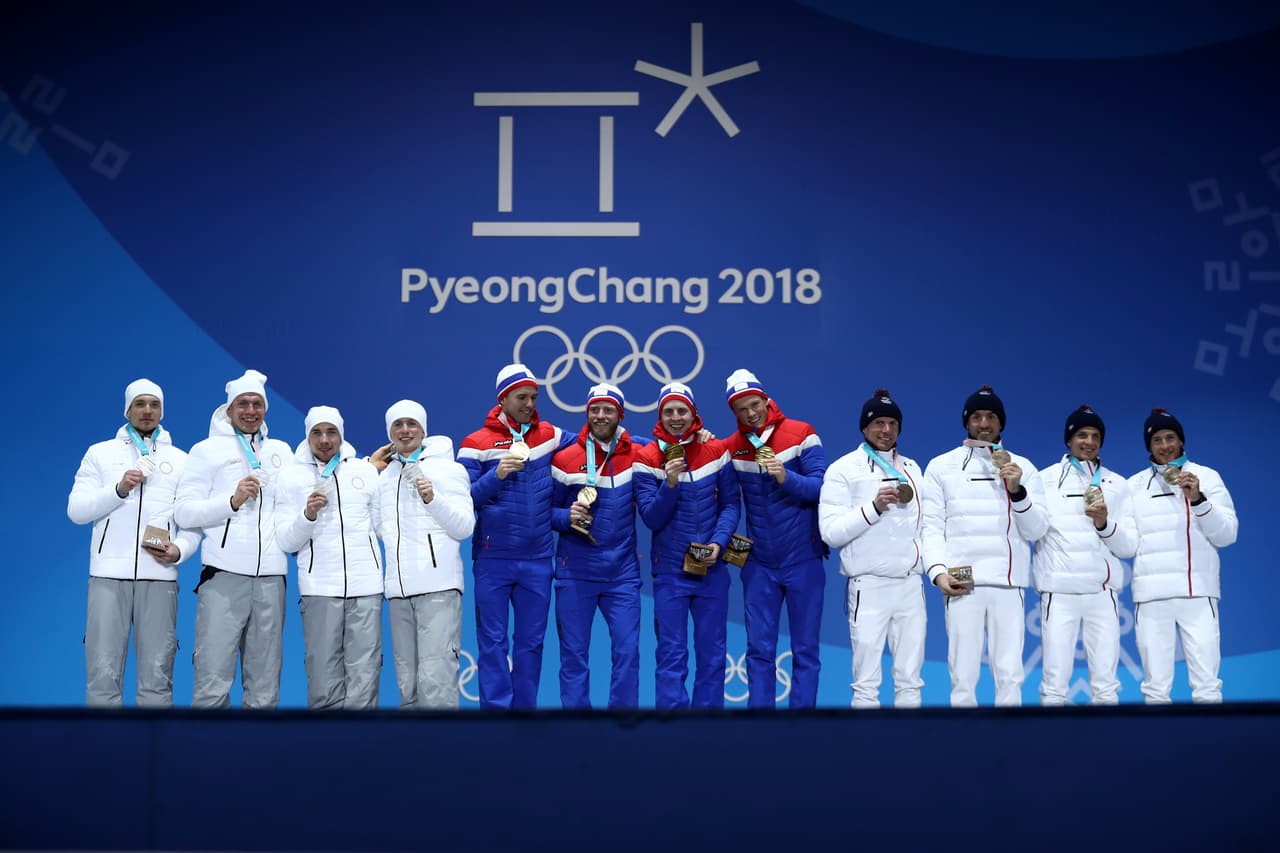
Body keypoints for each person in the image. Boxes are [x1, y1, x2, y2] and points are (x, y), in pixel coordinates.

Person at [67, 378, 200, 707]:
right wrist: (118, 489)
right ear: (127, 410)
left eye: (155, 405)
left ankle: (154, 741)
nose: (147, 410)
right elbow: (76, 510)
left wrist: (180, 550)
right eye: (140, 404)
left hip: (160, 579)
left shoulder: (181, 460)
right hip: (107, 578)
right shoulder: (100, 454)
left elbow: (192, 524)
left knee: (158, 677)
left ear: (162, 411)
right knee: (102, 675)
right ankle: (104, 742)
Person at [922, 385, 1048, 707]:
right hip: (961, 575)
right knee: (962, 673)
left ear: (1001, 422)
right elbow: (931, 526)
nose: (984, 424)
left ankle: (1010, 734)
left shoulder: (1024, 467)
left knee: (1009, 673)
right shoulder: (941, 466)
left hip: (1008, 578)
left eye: (991, 416)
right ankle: (964, 735)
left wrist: (1017, 491)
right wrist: (937, 572)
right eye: (976, 417)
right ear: (967, 422)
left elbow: (1036, 530)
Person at [457, 363, 574, 709]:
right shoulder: (475, 444)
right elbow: (464, 500)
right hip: (493, 560)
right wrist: (496, 475)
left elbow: (596, 443)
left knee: (531, 645)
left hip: (537, 560)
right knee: (493, 643)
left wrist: (664, 446)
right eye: (522, 397)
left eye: (534, 397)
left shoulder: (548, 434)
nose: (529, 404)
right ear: (503, 399)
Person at [174, 369, 291, 708]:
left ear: (265, 408)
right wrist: (232, 501)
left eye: (257, 404)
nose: (251, 411)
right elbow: (184, 512)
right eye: (243, 404)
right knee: (212, 680)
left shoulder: (282, 452)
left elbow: (313, 482)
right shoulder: (206, 451)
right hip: (223, 577)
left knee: (265, 686)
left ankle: (261, 744)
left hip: (271, 580)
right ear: (229, 409)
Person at [719, 368, 827, 709]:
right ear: (734, 412)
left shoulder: (802, 433)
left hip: (803, 560)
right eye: (742, 409)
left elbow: (822, 488)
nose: (751, 413)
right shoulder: (731, 449)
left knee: (805, 650)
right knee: (758, 651)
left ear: (766, 399)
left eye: (755, 404)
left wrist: (786, 478)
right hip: (760, 566)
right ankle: (760, 726)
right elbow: (728, 502)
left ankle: (801, 727)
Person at [634, 382, 739, 710]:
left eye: (682, 410)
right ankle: (673, 729)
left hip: (712, 570)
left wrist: (719, 544)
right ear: (660, 415)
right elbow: (652, 518)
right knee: (671, 654)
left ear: (694, 413)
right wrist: (670, 483)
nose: (676, 417)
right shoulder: (646, 457)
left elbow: (731, 505)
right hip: (670, 574)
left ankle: (707, 729)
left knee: (712, 654)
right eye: (669, 411)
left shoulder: (715, 450)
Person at [819, 388, 926, 709]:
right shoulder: (843, 469)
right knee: (866, 683)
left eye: (892, 424)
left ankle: (913, 739)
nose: (886, 430)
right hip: (869, 586)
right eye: (879, 423)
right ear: (864, 427)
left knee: (911, 680)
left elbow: (925, 526)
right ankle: (867, 740)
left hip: (910, 585)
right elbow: (830, 532)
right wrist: (874, 507)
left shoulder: (913, 469)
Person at [1123, 408, 1237, 703]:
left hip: (1197, 593)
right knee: (1155, 689)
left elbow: (1227, 535)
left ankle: (1210, 734)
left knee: (1207, 686)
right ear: (1148, 446)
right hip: (1152, 597)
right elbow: (1126, 545)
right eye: (1157, 440)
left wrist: (1199, 500)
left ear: (1181, 440)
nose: (1165, 446)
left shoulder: (1207, 477)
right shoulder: (1134, 486)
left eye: (1170, 438)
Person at [277, 406, 383, 709]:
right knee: (323, 676)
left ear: (341, 435)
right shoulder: (291, 476)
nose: (324, 440)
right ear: (307, 436)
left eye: (331, 432)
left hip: (366, 588)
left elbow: (382, 526)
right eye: (317, 433)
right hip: (320, 588)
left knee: (365, 674)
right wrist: (308, 515)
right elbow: (286, 540)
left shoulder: (364, 472)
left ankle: (361, 738)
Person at [371, 399, 475, 709]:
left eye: (411, 424)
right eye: (398, 425)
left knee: (436, 685)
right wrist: (368, 468)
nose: (405, 430)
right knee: (408, 687)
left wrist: (432, 499)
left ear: (423, 430)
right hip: (399, 593)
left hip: (438, 590)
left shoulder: (449, 469)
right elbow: (379, 527)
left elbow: (464, 526)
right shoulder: (386, 477)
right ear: (389, 432)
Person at [549, 383, 645, 709]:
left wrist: (702, 435)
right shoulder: (564, 458)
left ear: (621, 414)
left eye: (608, 410)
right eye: (595, 409)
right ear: (586, 412)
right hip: (576, 573)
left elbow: (678, 446)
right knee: (574, 656)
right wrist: (566, 516)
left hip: (622, 575)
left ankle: (622, 727)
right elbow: (545, 512)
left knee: (627, 652)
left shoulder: (640, 454)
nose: (601, 415)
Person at [1033, 405, 1135, 706]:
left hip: (1101, 594)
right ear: (1068, 440)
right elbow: (1032, 530)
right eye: (1081, 435)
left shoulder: (1118, 484)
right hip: (1059, 592)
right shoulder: (1043, 480)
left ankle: (1107, 736)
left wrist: (1104, 523)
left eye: (1095, 436)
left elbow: (1128, 547)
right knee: (1054, 686)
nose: (1088, 442)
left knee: (1106, 687)